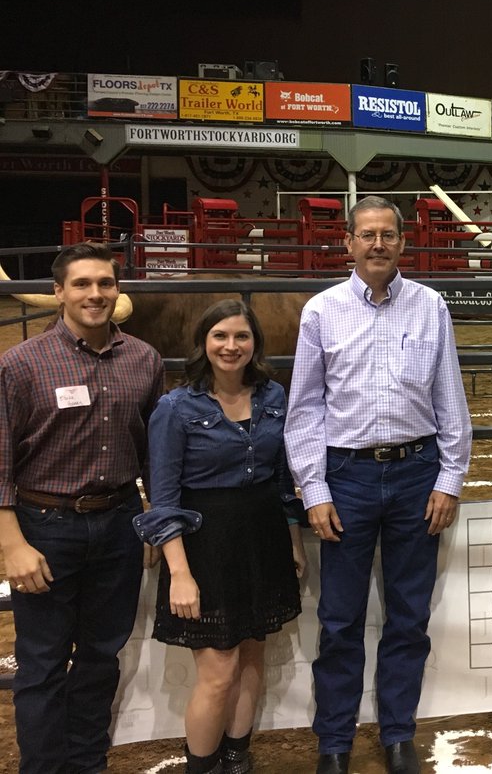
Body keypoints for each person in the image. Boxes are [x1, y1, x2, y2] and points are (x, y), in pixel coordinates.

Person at [285, 195, 472, 774]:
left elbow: (450, 397)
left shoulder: (430, 306)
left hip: (418, 475)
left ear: (401, 242)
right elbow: (305, 410)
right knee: (339, 619)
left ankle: (397, 735)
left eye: (387, 234)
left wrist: (450, 478)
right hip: (347, 478)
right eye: (366, 235)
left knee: (408, 616)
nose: (377, 244)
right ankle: (334, 744)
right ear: (348, 243)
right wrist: (313, 489)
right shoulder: (321, 311)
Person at [0, 242, 164, 774]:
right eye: (82, 284)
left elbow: (149, 452)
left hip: (117, 523)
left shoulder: (144, 360)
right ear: (58, 293)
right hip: (44, 527)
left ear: (117, 291)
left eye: (105, 283)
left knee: (99, 657)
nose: (95, 294)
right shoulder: (20, 364)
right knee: (43, 664)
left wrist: (148, 520)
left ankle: (87, 764)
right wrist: (12, 544)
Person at [134, 299, 305, 774]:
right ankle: (202, 767)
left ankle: (237, 758)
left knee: (252, 656)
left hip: (264, 535)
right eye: (220, 337)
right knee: (218, 671)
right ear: (204, 344)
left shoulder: (274, 397)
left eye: (241, 337)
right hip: (205, 544)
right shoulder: (175, 407)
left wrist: (293, 541)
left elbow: (280, 478)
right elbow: (164, 497)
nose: (231, 346)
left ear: (255, 344)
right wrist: (180, 574)